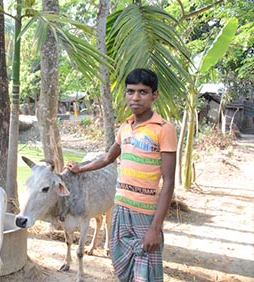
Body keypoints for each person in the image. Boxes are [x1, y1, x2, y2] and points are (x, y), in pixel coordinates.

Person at [65, 68, 177, 281]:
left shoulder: (163, 129)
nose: (135, 97)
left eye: (143, 92)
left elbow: (169, 181)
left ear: (155, 95)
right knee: (122, 269)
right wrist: (81, 168)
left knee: (147, 274)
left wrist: (155, 228)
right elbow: (108, 158)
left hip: (145, 213)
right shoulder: (125, 127)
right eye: (131, 91)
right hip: (120, 210)